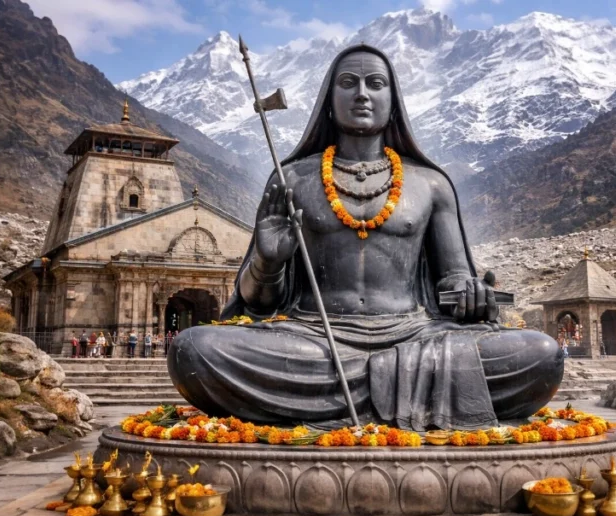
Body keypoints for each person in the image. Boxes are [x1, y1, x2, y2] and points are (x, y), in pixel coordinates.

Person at [168, 45, 563, 430]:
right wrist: (267, 263)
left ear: (393, 100)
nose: (361, 93)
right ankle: (397, 394)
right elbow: (257, 302)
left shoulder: (430, 184)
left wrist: (473, 298)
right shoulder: (292, 179)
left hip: (414, 339)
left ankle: (354, 395)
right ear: (328, 99)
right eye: (348, 83)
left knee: (541, 355)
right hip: (314, 340)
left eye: (375, 83)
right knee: (193, 351)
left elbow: (453, 281)